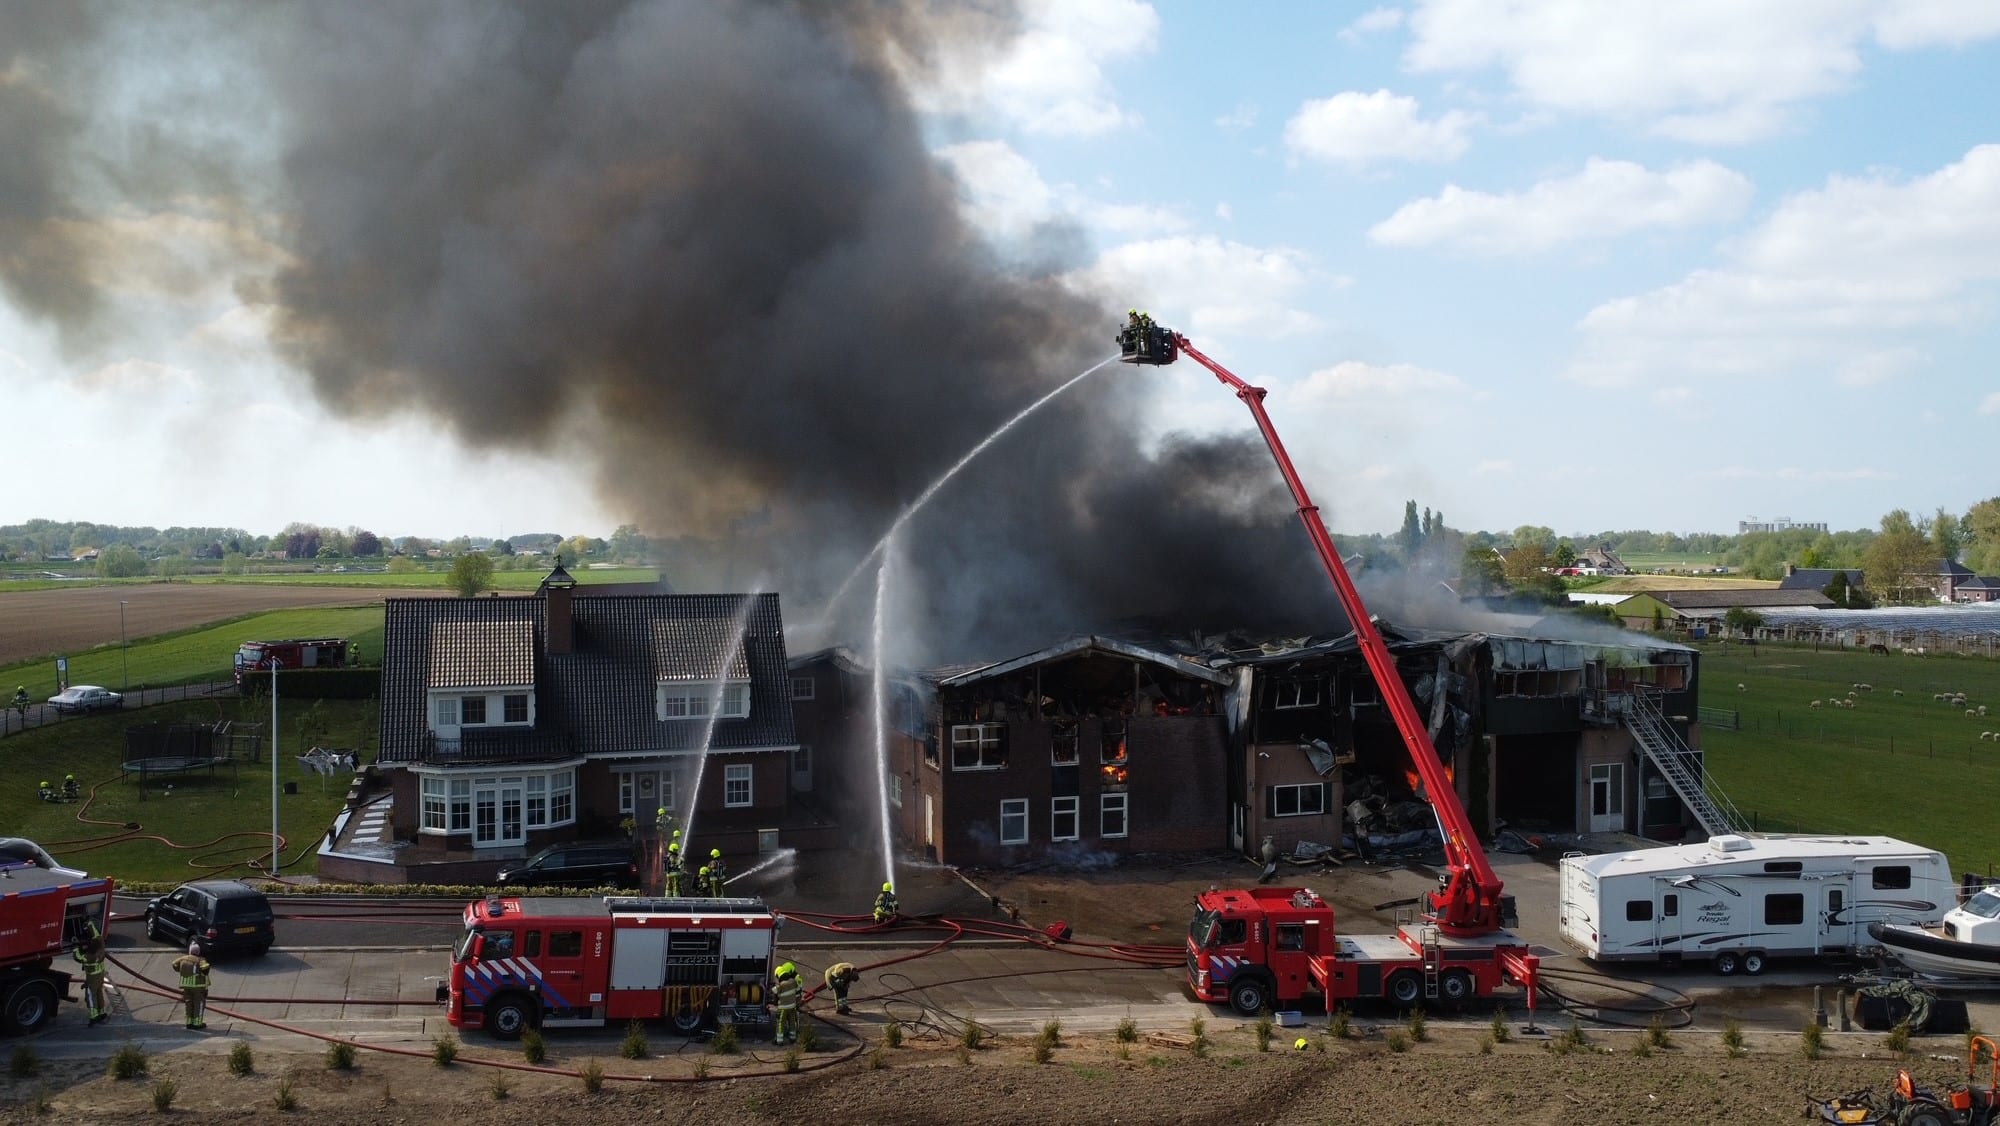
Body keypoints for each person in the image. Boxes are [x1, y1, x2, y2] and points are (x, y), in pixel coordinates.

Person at [170, 941, 211, 1030]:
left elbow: (174, 963)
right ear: (198, 952)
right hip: (198, 986)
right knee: (199, 1004)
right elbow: (205, 968)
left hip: (186, 985)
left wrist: (180, 970)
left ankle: (189, 1022)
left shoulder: (183, 958)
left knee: (188, 1003)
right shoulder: (200, 960)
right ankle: (197, 1023)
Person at [74, 924, 109, 1025]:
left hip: (92, 978)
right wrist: (90, 924)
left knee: (91, 995)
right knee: (99, 993)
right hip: (100, 975)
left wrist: (75, 947)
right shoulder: (101, 948)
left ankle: (94, 1016)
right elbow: (97, 936)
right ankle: (102, 1012)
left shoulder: (88, 957)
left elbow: (78, 957)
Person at [770, 961, 801, 1044]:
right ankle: (792, 1038)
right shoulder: (793, 981)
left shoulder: (780, 985)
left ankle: (779, 1041)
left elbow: (773, 991)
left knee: (780, 1023)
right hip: (792, 1007)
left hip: (783, 1008)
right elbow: (798, 991)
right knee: (792, 1022)